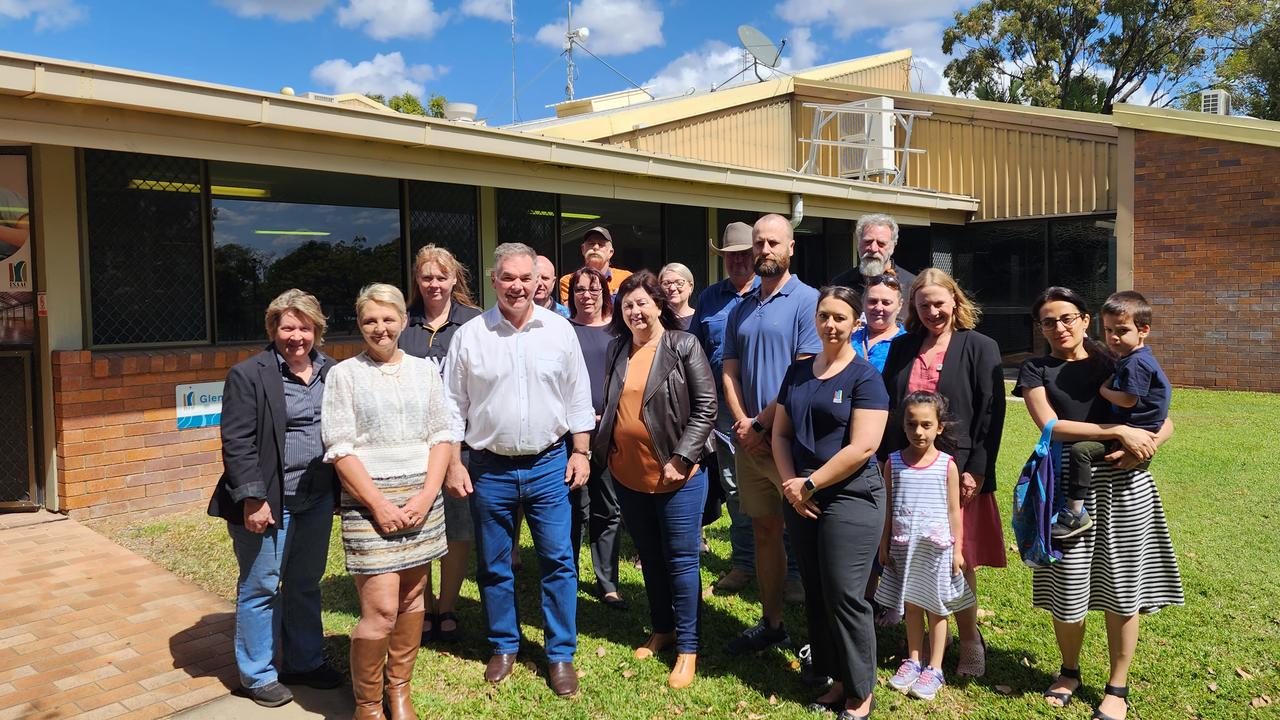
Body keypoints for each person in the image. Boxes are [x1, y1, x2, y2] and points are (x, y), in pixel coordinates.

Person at [1015, 286, 1181, 720]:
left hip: (1125, 485)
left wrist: (1146, 445)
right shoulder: (1035, 369)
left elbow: (1166, 418)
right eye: (1048, 321)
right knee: (1067, 583)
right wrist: (1116, 432)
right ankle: (1069, 672)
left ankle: (1117, 686)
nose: (1059, 327)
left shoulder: (1116, 358)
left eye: (1067, 317)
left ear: (1085, 319)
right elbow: (1050, 426)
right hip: (1068, 486)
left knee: (1122, 587)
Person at [443, 242, 594, 698]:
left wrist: (581, 451)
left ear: (538, 282)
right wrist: (453, 462)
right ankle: (504, 645)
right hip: (489, 468)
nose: (518, 286)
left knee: (558, 562)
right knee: (493, 565)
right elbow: (451, 405)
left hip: (550, 464)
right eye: (508, 278)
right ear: (494, 281)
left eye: (525, 278)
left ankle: (560, 653)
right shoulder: (470, 335)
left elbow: (578, 396)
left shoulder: (559, 330)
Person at [321, 283, 455, 720]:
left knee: (414, 600)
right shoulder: (344, 375)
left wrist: (428, 494)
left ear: (402, 320)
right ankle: (366, 705)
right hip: (368, 501)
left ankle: (399, 692)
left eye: (387, 318)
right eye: (369, 321)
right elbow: (340, 447)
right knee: (379, 610)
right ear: (359, 325)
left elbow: (440, 434)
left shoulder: (424, 371)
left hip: (421, 497)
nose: (380, 328)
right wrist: (378, 504)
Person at [208, 289, 343, 708]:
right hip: (269, 500)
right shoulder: (249, 374)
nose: (296, 336)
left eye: (305, 327)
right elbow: (237, 442)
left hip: (316, 498)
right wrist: (253, 498)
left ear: (317, 330)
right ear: (273, 329)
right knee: (261, 585)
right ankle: (258, 673)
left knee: (305, 583)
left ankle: (303, 661)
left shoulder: (332, 372)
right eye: (288, 327)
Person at [879, 268, 1006, 677]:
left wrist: (977, 470)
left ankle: (969, 641)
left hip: (957, 470)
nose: (933, 311)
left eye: (939, 303)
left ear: (955, 301)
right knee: (910, 552)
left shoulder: (980, 346)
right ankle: (925, 642)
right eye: (924, 304)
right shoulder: (901, 347)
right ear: (913, 308)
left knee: (957, 559)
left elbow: (992, 413)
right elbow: (887, 408)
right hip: (908, 468)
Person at [594, 271, 717, 689]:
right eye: (627, 305)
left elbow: (706, 407)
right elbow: (612, 402)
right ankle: (662, 628)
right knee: (649, 554)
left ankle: (688, 647)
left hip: (677, 475)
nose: (635, 311)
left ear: (659, 304)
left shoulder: (683, 345)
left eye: (642, 303)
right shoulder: (617, 349)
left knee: (681, 561)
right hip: (629, 474)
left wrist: (683, 457)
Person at [772, 285, 889, 720]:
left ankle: (860, 693)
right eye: (825, 315)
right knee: (817, 592)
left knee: (844, 594)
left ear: (856, 322)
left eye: (841, 317)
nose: (831, 324)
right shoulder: (798, 372)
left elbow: (863, 447)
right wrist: (790, 484)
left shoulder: (865, 377)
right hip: (800, 496)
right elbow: (781, 433)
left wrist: (811, 484)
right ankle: (835, 678)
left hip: (850, 498)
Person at [721, 213, 822, 654]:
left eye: (773, 243)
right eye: (759, 243)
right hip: (749, 442)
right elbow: (729, 368)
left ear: (791, 248)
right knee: (764, 531)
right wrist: (743, 422)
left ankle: (823, 638)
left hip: (793, 443)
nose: (764, 250)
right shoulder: (742, 305)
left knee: (810, 537)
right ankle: (773, 623)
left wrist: (761, 423)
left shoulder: (808, 300)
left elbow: (803, 372)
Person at [398, 244, 483, 645]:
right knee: (416, 526)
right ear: (418, 280)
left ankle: (446, 605)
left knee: (458, 527)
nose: (434, 284)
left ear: (454, 279)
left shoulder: (474, 323)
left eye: (441, 276)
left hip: (460, 448)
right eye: (426, 277)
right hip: (412, 445)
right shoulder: (402, 324)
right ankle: (423, 603)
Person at [876, 391, 976, 703]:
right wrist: (883, 544)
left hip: (936, 550)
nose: (918, 431)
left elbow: (952, 511)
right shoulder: (892, 462)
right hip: (904, 548)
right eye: (911, 424)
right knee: (911, 607)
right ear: (903, 425)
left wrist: (957, 550)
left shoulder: (947, 465)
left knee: (937, 607)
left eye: (926, 425)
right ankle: (913, 659)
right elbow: (888, 507)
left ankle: (935, 667)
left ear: (939, 428)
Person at [1056, 290, 1171, 539]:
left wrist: (1104, 390)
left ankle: (1075, 512)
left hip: (1136, 432)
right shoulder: (1133, 358)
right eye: (1108, 330)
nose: (1113, 337)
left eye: (1121, 330)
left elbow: (1129, 400)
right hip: (1140, 431)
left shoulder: (1134, 363)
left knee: (1081, 451)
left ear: (1144, 330)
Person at [689, 222, 759, 594]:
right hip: (724, 413)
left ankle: (792, 570)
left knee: (782, 487)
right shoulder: (709, 298)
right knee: (735, 489)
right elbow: (696, 352)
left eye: (745, 254)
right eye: (731, 256)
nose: (738, 261)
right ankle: (745, 563)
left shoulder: (772, 294)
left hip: (769, 410)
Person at [566, 265, 626, 610]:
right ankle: (568, 575)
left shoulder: (618, 332)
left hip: (610, 431)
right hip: (571, 433)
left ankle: (607, 581)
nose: (586, 296)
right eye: (579, 289)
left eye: (593, 289)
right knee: (573, 506)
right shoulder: (562, 329)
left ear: (605, 292)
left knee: (608, 507)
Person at [831, 213, 917, 320]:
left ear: (893, 246)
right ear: (858, 243)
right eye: (867, 242)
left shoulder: (913, 287)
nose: (873, 248)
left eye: (881, 243)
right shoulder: (839, 285)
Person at [558, 226, 632, 302]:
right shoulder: (569, 281)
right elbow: (571, 312)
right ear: (583, 249)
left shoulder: (626, 278)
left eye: (601, 244)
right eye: (591, 243)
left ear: (610, 253)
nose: (595, 247)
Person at [850, 274, 907, 373]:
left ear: (899, 305)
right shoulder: (849, 339)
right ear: (863, 302)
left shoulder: (907, 344)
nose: (878, 308)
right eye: (872, 301)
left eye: (886, 303)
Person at [659, 262, 697, 330]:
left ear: (690, 286)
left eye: (679, 283)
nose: (672, 288)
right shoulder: (656, 319)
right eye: (666, 283)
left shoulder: (700, 318)